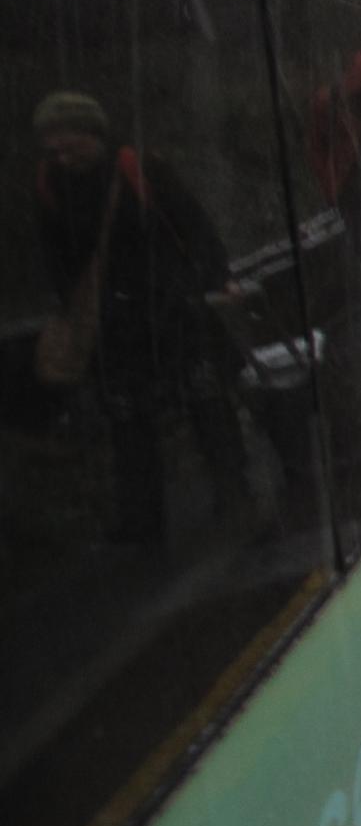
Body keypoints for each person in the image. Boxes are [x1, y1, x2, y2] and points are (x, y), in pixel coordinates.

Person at [31, 91, 254, 542]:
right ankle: (143, 518)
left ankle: (234, 496)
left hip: (169, 305)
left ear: (93, 135)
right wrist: (74, 309)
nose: (63, 157)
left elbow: (191, 221)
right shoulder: (49, 185)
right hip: (113, 323)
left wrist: (216, 275)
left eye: (70, 145)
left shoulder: (137, 167)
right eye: (54, 149)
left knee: (206, 403)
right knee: (129, 424)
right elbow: (56, 256)